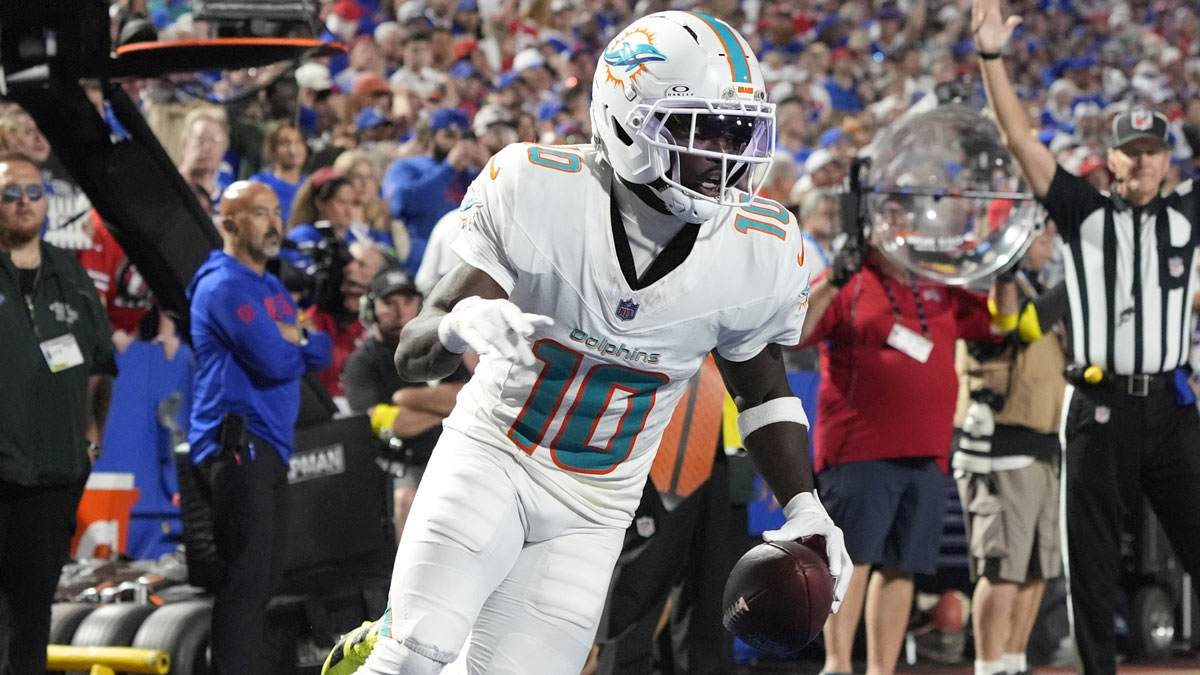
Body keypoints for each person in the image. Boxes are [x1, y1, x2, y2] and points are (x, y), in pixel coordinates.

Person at [330, 11, 853, 675]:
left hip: (596, 507)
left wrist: (805, 503)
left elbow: (764, 388)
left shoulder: (759, 249)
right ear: (627, 121)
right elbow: (414, 348)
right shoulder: (539, 188)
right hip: (496, 454)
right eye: (703, 129)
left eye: (739, 130)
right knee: (416, 652)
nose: (727, 154)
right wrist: (460, 324)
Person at [974, 1, 1200, 673]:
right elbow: (1020, 141)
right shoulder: (1082, 212)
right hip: (1100, 408)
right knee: (1093, 560)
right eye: (1130, 150)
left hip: (1171, 404)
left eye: (1152, 150)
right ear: (1110, 160)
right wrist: (992, 58)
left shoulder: (1186, 217)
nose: (1141, 161)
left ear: (1167, 160)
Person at [799, 224, 1018, 674]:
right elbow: (796, 332)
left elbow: (1001, 322)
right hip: (858, 449)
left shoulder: (941, 285)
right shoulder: (851, 280)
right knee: (851, 562)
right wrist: (836, 279)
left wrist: (1006, 272)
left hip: (927, 452)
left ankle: (883, 669)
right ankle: (837, 666)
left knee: (903, 567)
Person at [187, 181, 332, 675]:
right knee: (246, 580)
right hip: (237, 442)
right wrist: (293, 338)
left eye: (276, 212)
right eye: (258, 213)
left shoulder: (270, 286)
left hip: (270, 443)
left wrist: (295, 336)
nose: (274, 224)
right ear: (228, 224)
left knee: (264, 580)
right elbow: (273, 360)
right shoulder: (221, 284)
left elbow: (323, 349)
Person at [0, 152, 116, 674]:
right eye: (9, 193)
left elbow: (100, 363)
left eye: (33, 192)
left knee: (31, 616)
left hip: (53, 478)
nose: (23, 203)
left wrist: (92, 433)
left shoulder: (70, 273)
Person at [953, 221, 1066, 675]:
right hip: (998, 443)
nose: (1050, 245)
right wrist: (1071, 285)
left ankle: (1014, 660)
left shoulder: (1030, 281)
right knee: (1000, 567)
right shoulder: (987, 278)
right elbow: (1012, 330)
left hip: (1041, 439)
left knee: (1037, 566)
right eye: (1041, 236)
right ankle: (989, 663)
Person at [343, 267, 470, 539]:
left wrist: (406, 399)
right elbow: (387, 423)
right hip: (398, 464)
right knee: (406, 501)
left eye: (407, 301)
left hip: (452, 454)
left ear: (421, 305)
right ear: (370, 308)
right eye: (389, 303)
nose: (400, 311)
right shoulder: (361, 362)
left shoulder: (439, 349)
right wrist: (447, 409)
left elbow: (468, 395)